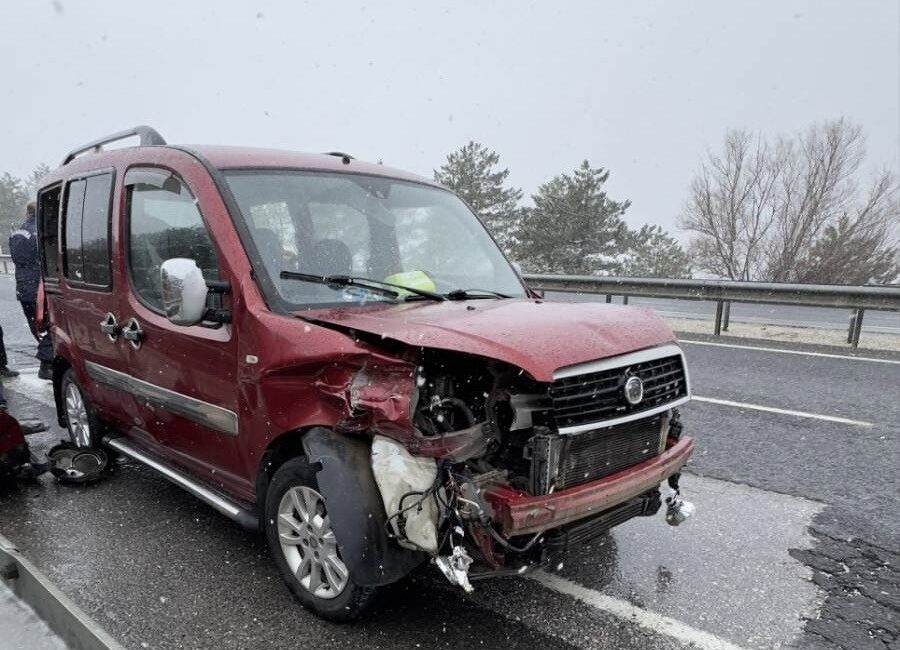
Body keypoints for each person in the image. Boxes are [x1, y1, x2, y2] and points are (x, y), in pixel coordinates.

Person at [9, 202, 53, 380]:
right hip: (39, 286)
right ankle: (47, 364)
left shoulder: (16, 233)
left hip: (23, 286)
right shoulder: (41, 231)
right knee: (50, 326)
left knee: (37, 326)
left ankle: (48, 361)